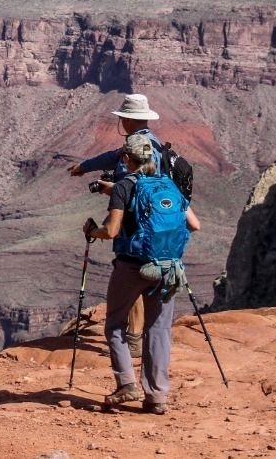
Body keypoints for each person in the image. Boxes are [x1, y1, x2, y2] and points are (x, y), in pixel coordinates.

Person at [82, 134, 200, 414]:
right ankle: (157, 397)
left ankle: (126, 384)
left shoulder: (125, 187)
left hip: (132, 267)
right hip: (167, 268)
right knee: (158, 330)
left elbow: (111, 231)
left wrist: (91, 231)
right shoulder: (170, 185)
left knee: (114, 325)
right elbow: (195, 225)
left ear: (126, 158)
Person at [68, 93, 165, 358]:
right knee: (145, 279)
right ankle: (141, 338)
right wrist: (86, 167)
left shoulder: (141, 146)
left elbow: (139, 189)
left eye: (123, 116)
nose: (120, 120)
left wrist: (114, 190)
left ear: (129, 119)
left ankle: (133, 341)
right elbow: (115, 157)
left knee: (133, 278)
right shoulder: (150, 143)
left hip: (135, 227)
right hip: (152, 226)